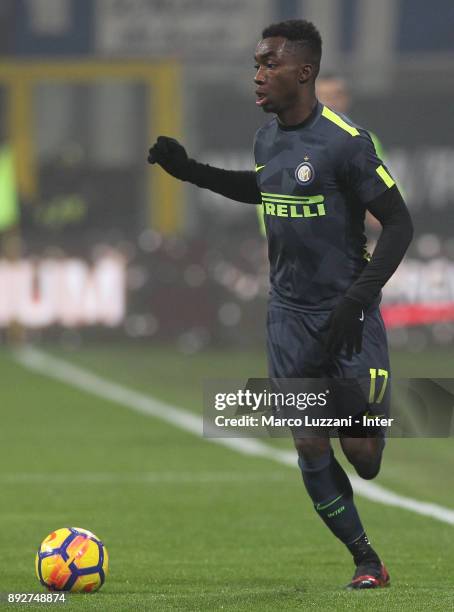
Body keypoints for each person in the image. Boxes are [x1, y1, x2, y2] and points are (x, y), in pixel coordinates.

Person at [147, 19, 413, 589]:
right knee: (308, 438)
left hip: (348, 313)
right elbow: (264, 187)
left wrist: (358, 297)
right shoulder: (266, 137)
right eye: (256, 65)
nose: (258, 75)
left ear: (304, 71)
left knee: (363, 455)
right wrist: (188, 171)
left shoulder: (347, 143)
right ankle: (367, 561)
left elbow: (398, 223)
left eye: (269, 64)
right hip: (288, 316)